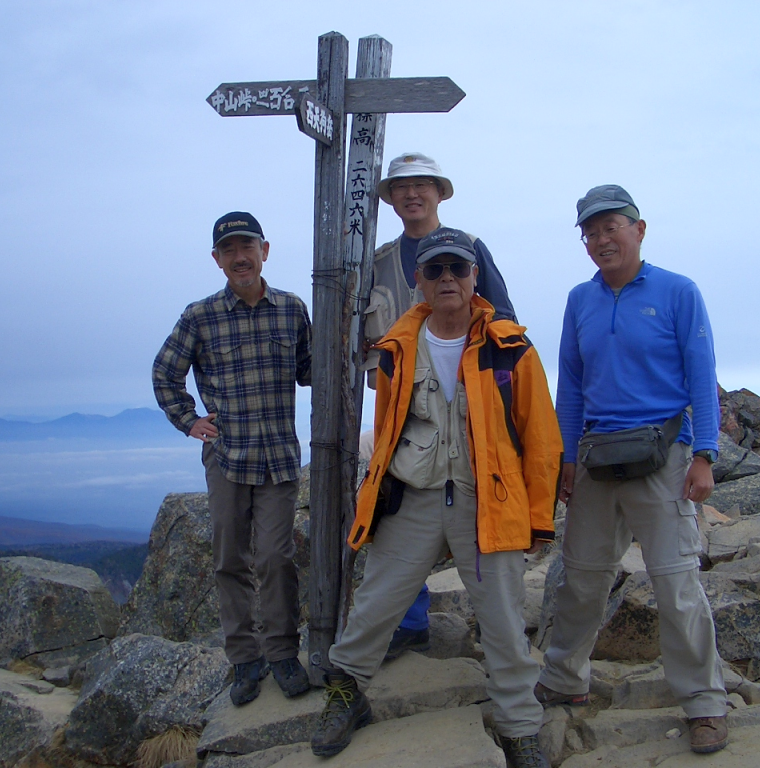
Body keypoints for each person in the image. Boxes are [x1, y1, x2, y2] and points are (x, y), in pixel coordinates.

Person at [311, 228, 563, 768]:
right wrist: (373, 500)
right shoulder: (396, 349)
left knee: (501, 617)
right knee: (377, 602)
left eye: (457, 269)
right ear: (417, 281)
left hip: (487, 502)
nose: (447, 279)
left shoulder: (511, 348)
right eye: (435, 270)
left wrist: (537, 522)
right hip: (415, 493)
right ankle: (346, 691)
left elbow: (541, 440)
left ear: (475, 277)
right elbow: (385, 433)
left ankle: (519, 727)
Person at [537, 185, 729, 754]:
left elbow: (702, 373)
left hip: (663, 456)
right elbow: (569, 385)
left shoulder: (677, 291)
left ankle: (704, 703)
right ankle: (563, 679)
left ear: (639, 230)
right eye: (591, 233)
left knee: (676, 583)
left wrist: (705, 454)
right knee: (580, 580)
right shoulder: (580, 299)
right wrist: (565, 461)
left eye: (611, 228)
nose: (601, 240)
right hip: (596, 458)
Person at [152, 212, 312, 706]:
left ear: (265, 250)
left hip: (279, 458)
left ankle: (283, 652)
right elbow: (165, 372)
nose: (240, 257)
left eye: (248, 247)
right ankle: (245, 661)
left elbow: (311, 369)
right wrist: (189, 420)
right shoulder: (200, 316)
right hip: (226, 457)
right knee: (228, 560)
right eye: (229, 250)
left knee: (274, 557)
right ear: (217, 260)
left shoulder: (291, 309)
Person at [366, 151, 517, 661]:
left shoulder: (468, 249)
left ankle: (500, 637)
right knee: (394, 512)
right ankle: (409, 623)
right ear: (390, 199)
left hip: (466, 411)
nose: (412, 194)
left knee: (473, 515)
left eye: (422, 185)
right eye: (402, 187)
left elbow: (505, 323)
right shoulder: (379, 260)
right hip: (398, 414)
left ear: (439, 193)